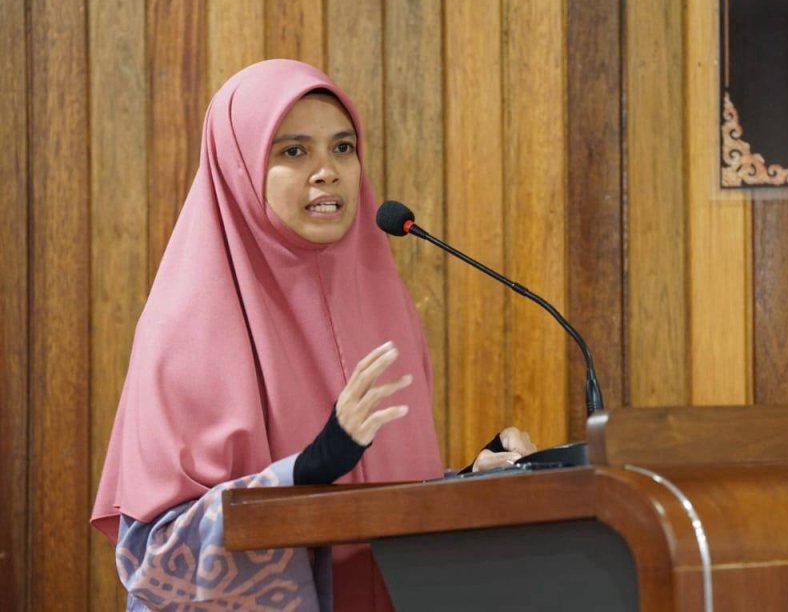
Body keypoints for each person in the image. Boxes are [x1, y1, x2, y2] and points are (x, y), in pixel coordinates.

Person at [92, 59, 536, 611]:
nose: (327, 171)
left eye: (343, 148)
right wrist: (306, 471)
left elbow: (377, 508)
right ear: (240, 168)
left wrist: (470, 482)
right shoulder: (182, 328)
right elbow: (157, 559)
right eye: (293, 151)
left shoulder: (385, 304)